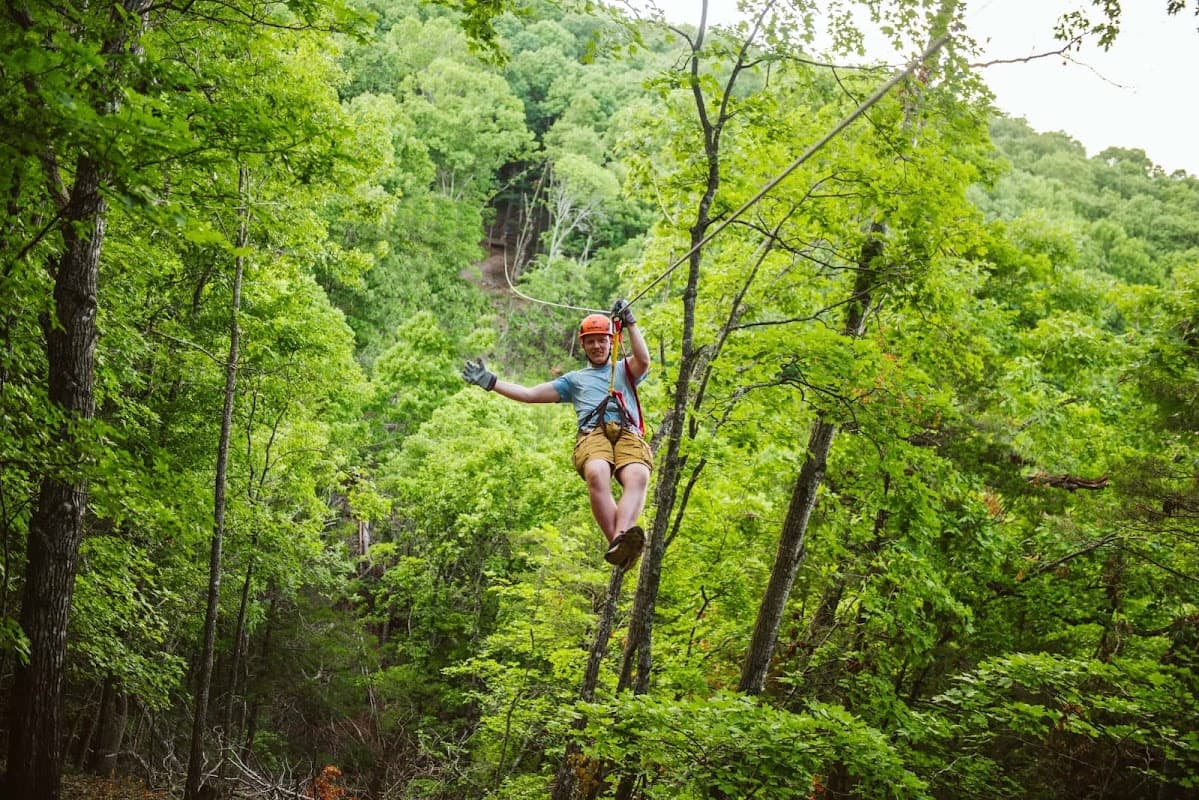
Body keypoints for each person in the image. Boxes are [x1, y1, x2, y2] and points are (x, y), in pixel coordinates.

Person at [461, 300, 652, 569]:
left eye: (602, 340)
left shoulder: (623, 369)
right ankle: (620, 541)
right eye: (591, 342)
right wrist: (491, 382)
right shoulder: (573, 380)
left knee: (638, 474)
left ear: (611, 342)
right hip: (593, 433)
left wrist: (630, 323)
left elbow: (643, 360)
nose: (597, 346)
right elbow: (530, 394)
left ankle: (620, 544)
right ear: (583, 346)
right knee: (596, 471)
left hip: (627, 432)